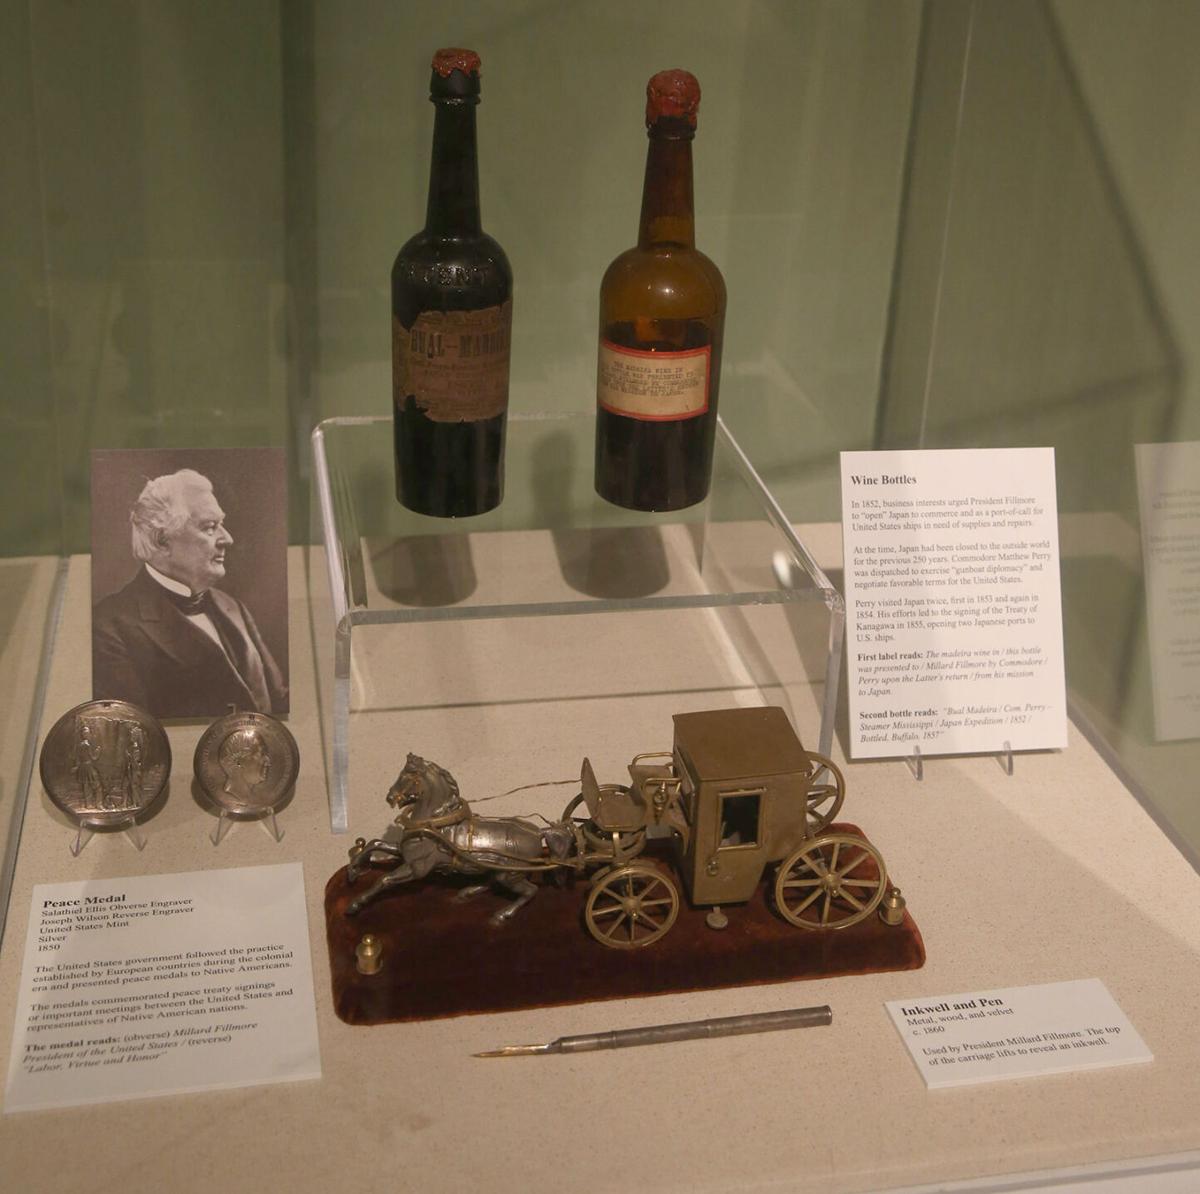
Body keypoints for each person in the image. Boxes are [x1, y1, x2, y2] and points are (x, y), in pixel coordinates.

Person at [92, 469, 288, 719]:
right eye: (209, 527)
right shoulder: (109, 627)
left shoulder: (231, 606)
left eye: (222, 525)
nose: (227, 538)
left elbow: (279, 699)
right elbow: (134, 731)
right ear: (162, 540)